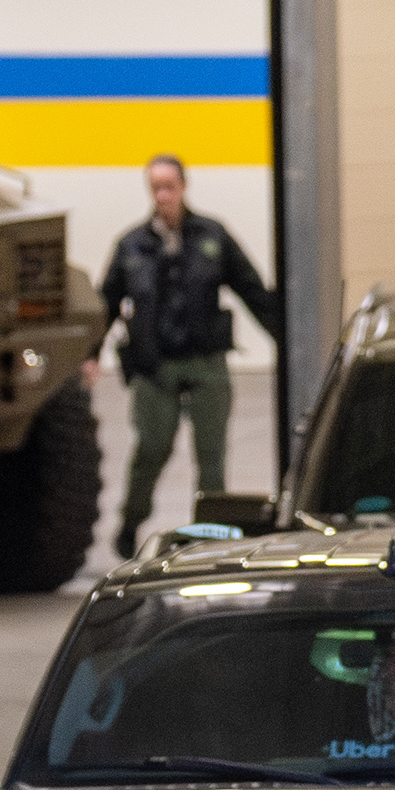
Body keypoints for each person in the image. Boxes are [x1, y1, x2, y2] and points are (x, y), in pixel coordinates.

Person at [94, 154, 284, 558]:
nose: (163, 194)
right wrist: (91, 355)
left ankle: (212, 533)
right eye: (156, 187)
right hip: (155, 367)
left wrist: (287, 339)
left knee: (211, 454)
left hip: (206, 361)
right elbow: (107, 304)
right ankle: (130, 523)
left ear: (183, 187)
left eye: (170, 186)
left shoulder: (211, 236)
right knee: (151, 449)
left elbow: (250, 289)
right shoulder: (133, 246)